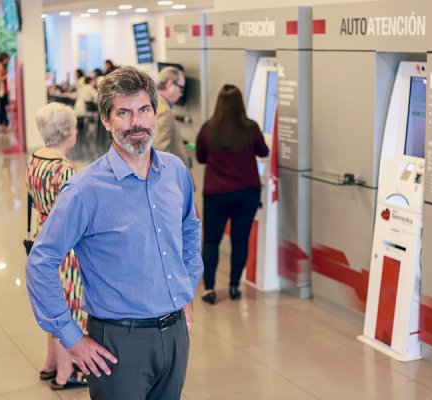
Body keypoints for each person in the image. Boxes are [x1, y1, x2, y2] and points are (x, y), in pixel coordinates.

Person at [26, 66, 203, 400]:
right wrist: (72, 337)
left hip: (176, 331)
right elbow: (41, 262)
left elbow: (190, 228)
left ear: (155, 112)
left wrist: (187, 290)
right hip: (119, 343)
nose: (137, 123)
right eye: (124, 112)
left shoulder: (175, 172)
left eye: (144, 110)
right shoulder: (83, 190)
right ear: (106, 120)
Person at [26, 102, 87, 391]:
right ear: (67, 133)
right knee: (68, 308)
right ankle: (66, 372)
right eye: (74, 128)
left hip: (42, 236)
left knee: (51, 303)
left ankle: (50, 362)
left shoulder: (36, 159)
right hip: (64, 247)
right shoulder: (63, 169)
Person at [195, 84, 269, 304]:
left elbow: (200, 157)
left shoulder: (209, 129)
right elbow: (263, 152)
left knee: (211, 241)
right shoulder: (250, 128)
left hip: (216, 194)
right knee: (240, 240)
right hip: (247, 193)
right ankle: (234, 286)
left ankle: (209, 289)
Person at [152, 67, 189, 168]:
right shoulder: (164, 111)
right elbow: (160, 151)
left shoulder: (153, 102)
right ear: (169, 84)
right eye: (181, 88)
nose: (181, 94)